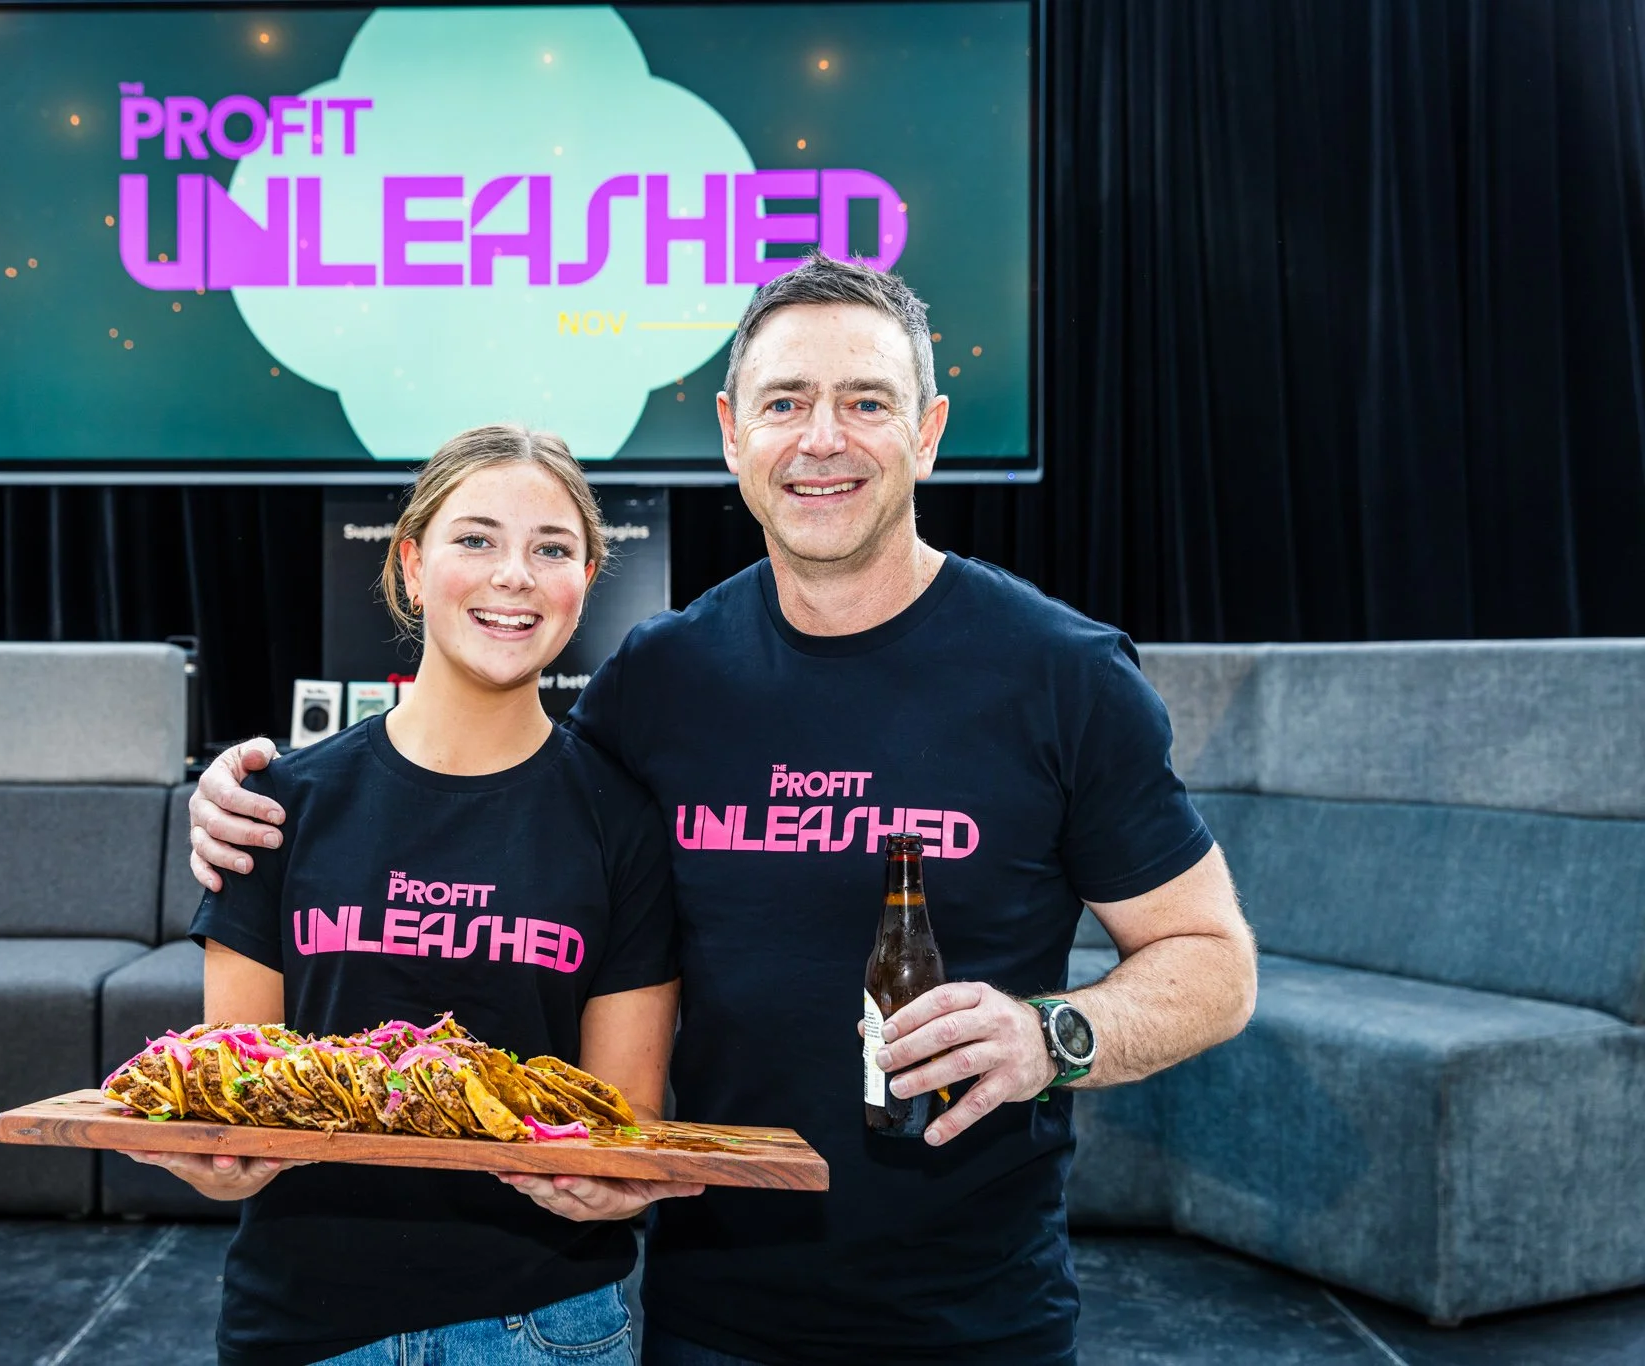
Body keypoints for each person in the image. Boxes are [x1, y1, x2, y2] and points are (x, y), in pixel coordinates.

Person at [188, 256, 1259, 1365]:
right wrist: (260, 804)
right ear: (730, 432)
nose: (821, 439)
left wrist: (1053, 1035)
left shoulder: (1062, 675)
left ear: (929, 431)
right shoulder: (659, 680)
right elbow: (479, 815)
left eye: (866, 402)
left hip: (972, 1317)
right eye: (785, 402)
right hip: (708, 1317)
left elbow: (1211, 963)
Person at [130, 425, 700, 1366]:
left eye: (551, 548)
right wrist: (218, 1162)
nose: (513, 574)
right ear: (410, 564)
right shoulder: (274, 807)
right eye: (475, 538)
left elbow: (623, 1114)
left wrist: (619, 1180)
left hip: (547, 1325)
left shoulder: (624, 822)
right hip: (304, 1323)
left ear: (586, 578)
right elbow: (240, 1095)